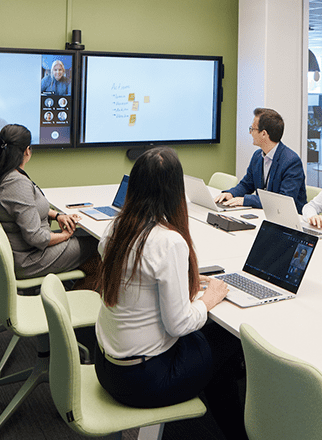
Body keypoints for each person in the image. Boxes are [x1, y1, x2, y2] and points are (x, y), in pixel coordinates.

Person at [95, 147, 248, 440]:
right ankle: (236, 432)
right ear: (175, 190)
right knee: (227, 339)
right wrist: (210, 297)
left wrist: (184, 278)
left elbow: (140, 278)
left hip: (108, 369)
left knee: (211, 346)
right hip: (143, 381)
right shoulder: (169, 242)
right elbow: (178, 325)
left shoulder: (115, 228)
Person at [0, 124, 99, 279]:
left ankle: (71, 289)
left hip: (22, 252)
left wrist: (58, 216)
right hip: (31, 259)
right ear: (27, 150)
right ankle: (78, 293)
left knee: (84, 237)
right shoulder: (16, 184)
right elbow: (36, 238)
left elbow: (27, 209)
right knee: (99, 243)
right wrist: (66, 235)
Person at [215, 107, 307, 213]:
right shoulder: (257, 156)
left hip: (287, 221)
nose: (250, 132)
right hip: (264, 214)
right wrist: (231, 194)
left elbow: (283, 201)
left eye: (252, 129)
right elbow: (246, 184)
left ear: (264, 134)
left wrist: (245, 200)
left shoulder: (291, 161)